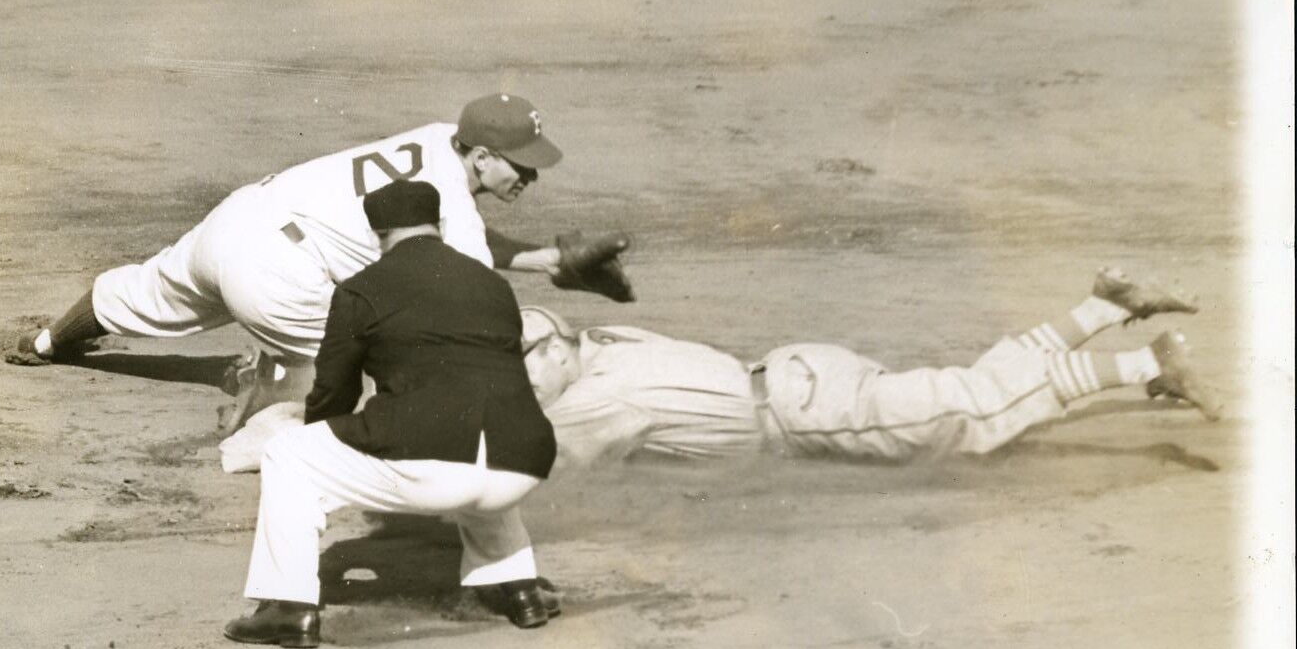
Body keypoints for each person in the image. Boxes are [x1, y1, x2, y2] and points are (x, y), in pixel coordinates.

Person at [8, 93, 634, 428]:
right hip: (276, 277)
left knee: (139, 291)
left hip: (236, 220)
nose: (530, 174)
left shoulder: (439, 135)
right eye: (520, 163)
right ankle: (265, 395)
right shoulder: (458, 204)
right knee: (364, 370)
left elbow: (446, 228)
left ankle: (45, 344)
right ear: (478, 157)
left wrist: (550, 258)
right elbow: (468, 286)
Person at [224, 179, 559, 649]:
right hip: (523, 460)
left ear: (377, 233)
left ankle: (289, 608)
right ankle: (521, 590)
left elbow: (334, 392)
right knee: (479, 427)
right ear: (438, 225)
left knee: (288, 455)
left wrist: (325, 433)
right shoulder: (493, 283)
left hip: (437, 465)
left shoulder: (363, 290)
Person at [518, 267, 1219, 470]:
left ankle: (1144, 361)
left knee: (974, 414)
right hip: (799, 374)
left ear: (553, 349)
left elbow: (534, 464)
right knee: (966, 394)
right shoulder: (606, 339)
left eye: (527, 374)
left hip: (807, 413)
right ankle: (1102, 306)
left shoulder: (597, 400)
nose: (527, 391)